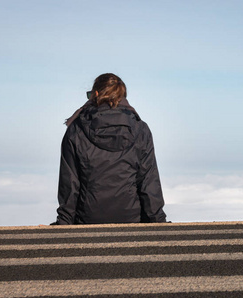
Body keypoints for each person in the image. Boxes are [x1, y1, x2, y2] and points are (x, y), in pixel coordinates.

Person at [52, 73, 167, 224]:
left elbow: (70, 182)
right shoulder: (140, 129)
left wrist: (64, 222)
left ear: (96, 94)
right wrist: (157, 221)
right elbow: (148, 180)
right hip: (131, 219)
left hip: (87, 220)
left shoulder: (77, 129)